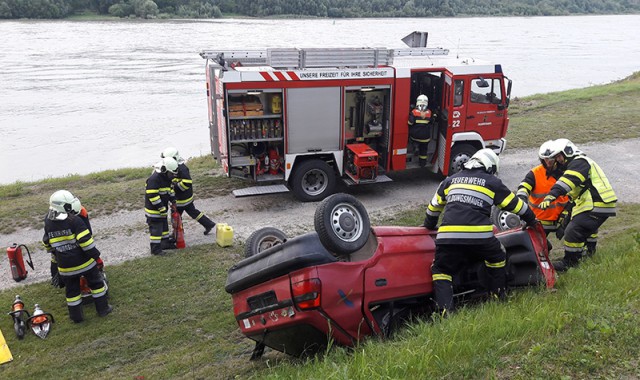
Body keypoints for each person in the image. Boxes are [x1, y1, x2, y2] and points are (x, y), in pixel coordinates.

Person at [424, 148, 537, 314]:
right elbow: (517, 206)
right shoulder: (492, 182)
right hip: (479, 237)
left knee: (442, 270)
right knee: (497, 258)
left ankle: (444, 312)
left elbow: (433, 209)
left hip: (448, 237)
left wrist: (430, 225)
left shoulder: (449, 181)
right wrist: (532, 220)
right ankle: (497, 296)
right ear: (490, 167)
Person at [538, 139, 617, 272]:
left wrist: (551, 195)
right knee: (584, 227)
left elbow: (567, 181)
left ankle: (570, 262)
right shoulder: (579, 164)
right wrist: (565, 217)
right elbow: (573, 196)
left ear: (568, 151)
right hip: (598, 204)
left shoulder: (579, 162)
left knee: (573, 231)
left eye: (559, 156)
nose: (558, 160)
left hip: (597, 203)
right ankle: (588, 255)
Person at [42, 190, 112, 322]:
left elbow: (47, 243)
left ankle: (77, 318)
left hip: (65, 267)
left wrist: (55, 259)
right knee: (97, 285)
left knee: (72, 292)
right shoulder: (76, 221)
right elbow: (86, 243)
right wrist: (96, 256)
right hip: (85, 263)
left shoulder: (48, 221)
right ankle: (103, 310)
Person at [516, 140, 571, 236]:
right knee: (539, 247)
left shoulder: (566, 172)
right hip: (540, 221)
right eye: (545, 159)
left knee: (577, 233)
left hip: (563, 219)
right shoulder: (535, 173)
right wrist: (522, 199)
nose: (548, 161)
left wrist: (565, 221)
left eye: (551, 158)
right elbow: (524, 187)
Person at [161, 147, 216, 235]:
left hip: (181, 199)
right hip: (185, 198)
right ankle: (208, 224)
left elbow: (187, 183)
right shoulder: (177, 166)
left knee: (175, 216)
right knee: (193, 212)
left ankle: (178, 233)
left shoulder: (181, 168)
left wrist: (175, 187)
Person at [145, 156, 179, 255]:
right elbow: (153, 195)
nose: (173, 175)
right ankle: (155, 250)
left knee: (164, 227)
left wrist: (173, 201)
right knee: (156, 230)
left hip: (162, 209)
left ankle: (165, 243)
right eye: (171, 173)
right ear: (164, 170)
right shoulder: (154, 179)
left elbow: (170, 190)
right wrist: (161, 208)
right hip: (154, 211)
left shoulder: (167, 178)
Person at [408, 94, 435, 167]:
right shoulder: (429, 112)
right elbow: (432, 121)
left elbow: (410, 123)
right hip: (425, 137)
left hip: (415, 136)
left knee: (410, 138)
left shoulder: (414, 112)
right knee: (424, 150)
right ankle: (422, 163)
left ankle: (415, 147)